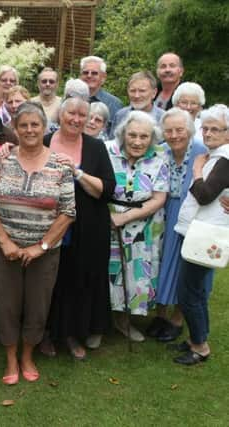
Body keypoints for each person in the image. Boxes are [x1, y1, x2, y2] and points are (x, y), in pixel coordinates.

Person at [0, 102, 75, 384]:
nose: (30, 130)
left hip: (44, 252)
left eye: (35, 124)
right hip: (7, 249)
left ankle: (27, 355)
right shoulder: (2, 160)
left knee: (37, 305)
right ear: (15, 128)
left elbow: (68, 211)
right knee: (8, 305)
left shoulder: (60, 164)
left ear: (44, 128)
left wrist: (42, 246)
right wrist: (4, 242)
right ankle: (11, 357)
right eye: (24, 125)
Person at [43, 96, 116, 359]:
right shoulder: (44, 141)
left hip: (88, 227)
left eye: (81, 115)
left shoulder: (96, 147)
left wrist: (78, 172)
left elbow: (106, 190)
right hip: (49, 225)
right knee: (51, 280)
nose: (76, 119)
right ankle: (47, 333)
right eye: (71, 113)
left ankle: (74, 333)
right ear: (60, 115)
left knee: (79, 279)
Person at [171, 104, 229, 365]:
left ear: (227, 133)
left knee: (189, 293)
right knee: (194, 291)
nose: (207, 133)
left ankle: (200, 346)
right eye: (204, 128)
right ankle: (197, 338)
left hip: (204, 234)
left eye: (215, 129)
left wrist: (196, 171)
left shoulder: (223, 159)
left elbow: (205, 196)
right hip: (200, 231)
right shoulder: (215, 156)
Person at [150, 108, 212, 342]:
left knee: (184, 265)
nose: (174, 135)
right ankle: (160, 314)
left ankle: (177, 318)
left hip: (193, 215)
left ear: (190, 130)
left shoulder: (202, 152)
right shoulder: (161, 151)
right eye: (169, 130)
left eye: (180, 129)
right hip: (163, 211)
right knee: (161, 262)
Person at [107, 111, 169, 342]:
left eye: (144, 136)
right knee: (108, 272)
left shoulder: (159, 158)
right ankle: (100, 322)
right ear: (123, 135)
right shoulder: (108, 152)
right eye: (132, 135)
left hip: (143, 227)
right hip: (107, 222)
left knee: (135, 275)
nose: (137, 141)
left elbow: (158, 198)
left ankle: (124, 321)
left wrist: (125, 217)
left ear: (151, 138)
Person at [111, 71, 165, 135]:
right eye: (132, 91)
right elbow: (113, 143)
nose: (137, 95)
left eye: (142, 91)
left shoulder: (164, 118)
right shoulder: (120, 116)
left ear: (154, 93)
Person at [79, 56, 123, 131]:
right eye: (85, 72)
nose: (89, 76)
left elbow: (116, 135)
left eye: (94, 73)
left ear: (103, 77)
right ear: (80, 76)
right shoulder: (71, 99)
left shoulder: (114, 104)